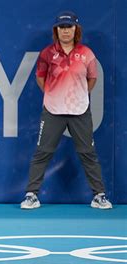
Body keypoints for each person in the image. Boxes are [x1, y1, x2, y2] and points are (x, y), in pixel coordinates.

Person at [21, 11, 112, 210]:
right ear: (56, 30)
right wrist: (53, 93)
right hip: (53, 110)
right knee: (42, 152)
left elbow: (92, 78)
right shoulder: (47, 53)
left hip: (80, 110)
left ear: (75, 29)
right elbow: (40, 77)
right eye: (61, 27)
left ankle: (99, 196)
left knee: (88, 152)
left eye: (69, 27)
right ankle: (31, 195)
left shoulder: (87, 53)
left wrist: (79, 95)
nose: (65, 31)